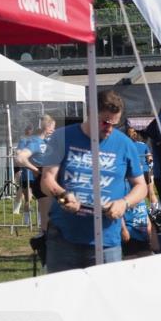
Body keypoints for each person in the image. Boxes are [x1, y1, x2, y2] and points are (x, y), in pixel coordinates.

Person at [39, 91, 147, 272]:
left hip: (107, 239)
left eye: (115, 124)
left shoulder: (125, 144)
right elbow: (47, 179)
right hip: (64, 237)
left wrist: (124, 203)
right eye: (105, 122)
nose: (109, 129)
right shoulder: (61, 137)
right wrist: (63, 196)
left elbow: (141, 186)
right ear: (91, 113)